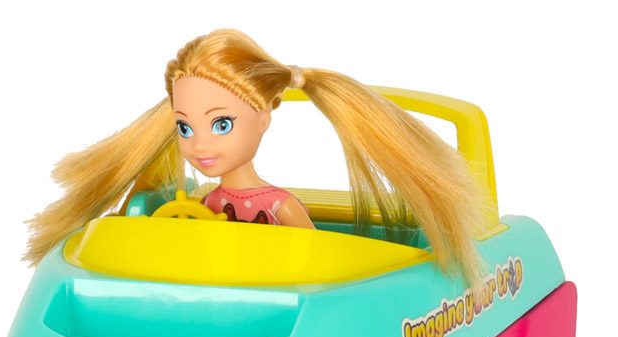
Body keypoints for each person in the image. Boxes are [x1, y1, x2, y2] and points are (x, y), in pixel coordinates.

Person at [25, 29, 486, 284]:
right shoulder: (202, 205)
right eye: (184, 128)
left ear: (263, 117)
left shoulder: (281, 207)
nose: (199, 145)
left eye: (221, 125)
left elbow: (317, 269)